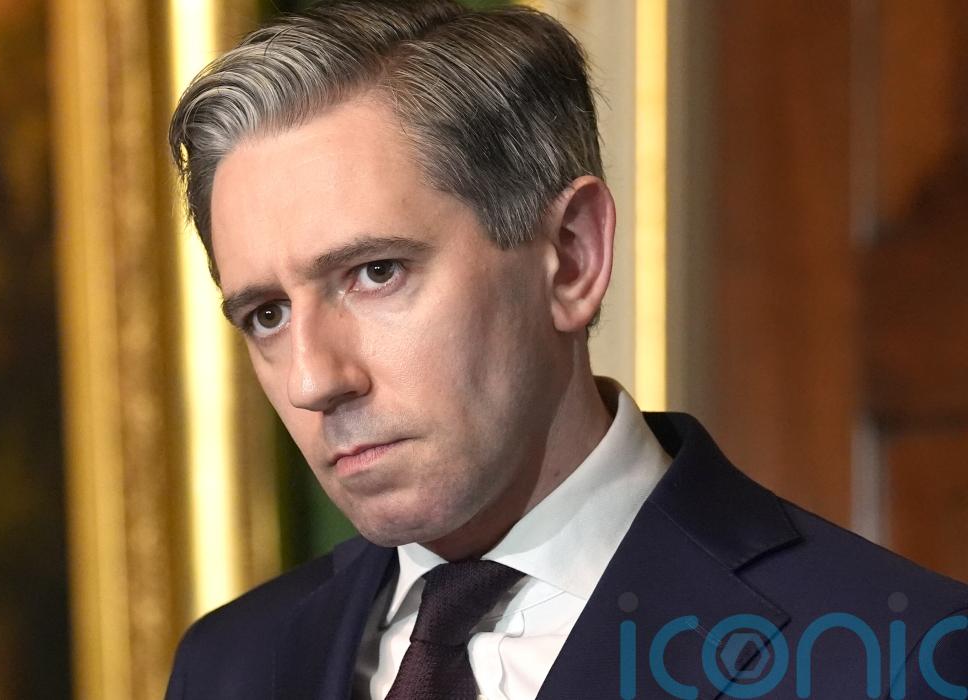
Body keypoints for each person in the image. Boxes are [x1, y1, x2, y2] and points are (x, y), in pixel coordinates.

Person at [165, 1, 968, 697]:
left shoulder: (894, 658)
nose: (313, 379)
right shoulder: (230, 664)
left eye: (376, 273)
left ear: (573, 256)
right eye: (266, 315)